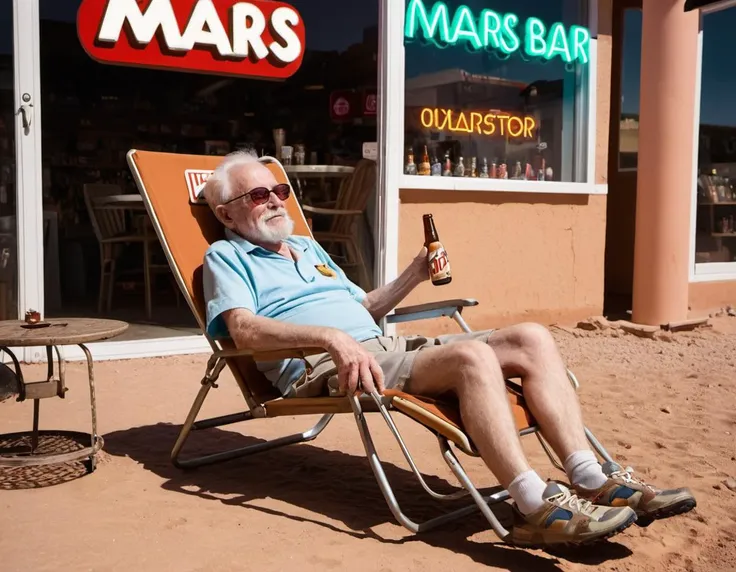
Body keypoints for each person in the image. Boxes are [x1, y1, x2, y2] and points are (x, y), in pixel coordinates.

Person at [201, 149, 696, 548]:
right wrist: (332, 339)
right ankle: (533, 507)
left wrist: (415, 274)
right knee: (471, 358)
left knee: (531, 336)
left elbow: (365, 306)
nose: (275, 201)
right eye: (259, 194)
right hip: (326, 364)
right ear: (226, 212)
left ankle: (590, 477)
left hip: (380, 346)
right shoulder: (224, 256)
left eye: (280, 191)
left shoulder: (307, 248)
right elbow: (243, 331)